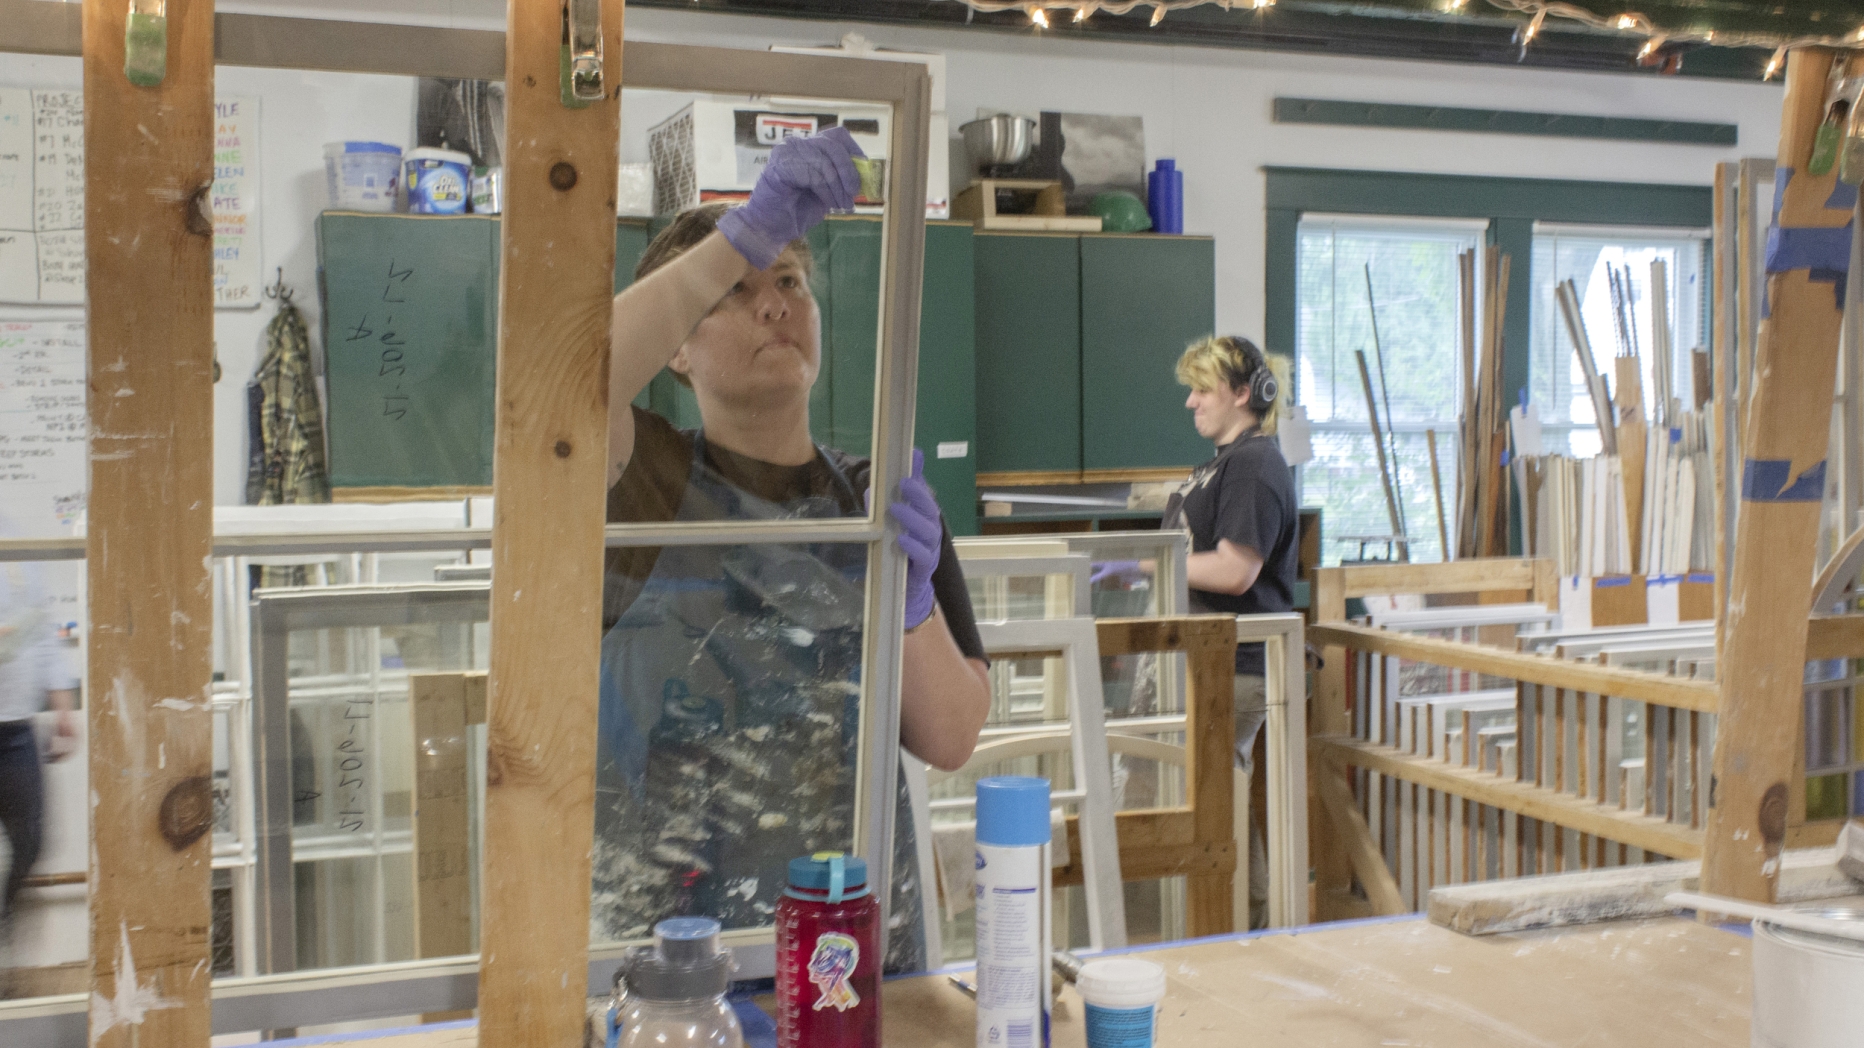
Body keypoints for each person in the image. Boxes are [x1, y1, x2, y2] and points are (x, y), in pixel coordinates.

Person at [590, 126, 991, 973]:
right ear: (676, 348)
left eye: (789, 281)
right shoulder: (645, 478)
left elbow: (953, 737)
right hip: (673, 970)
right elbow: (565, 384)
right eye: (735, 290)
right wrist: (737, 232)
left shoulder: (880, 498)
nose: (774, 302)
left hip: (857, 960)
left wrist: (912, 606)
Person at [1163, 334, 1298, 929]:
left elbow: (1236, 570)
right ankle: (1242, 927)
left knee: (1221, 800)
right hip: (1206, 661)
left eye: (1202, 389)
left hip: (1234, 665)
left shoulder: (1253, 464)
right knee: (1223, 798)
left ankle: (1244, 931)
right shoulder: (1224, 464)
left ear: (1244, 394)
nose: (1191, 402)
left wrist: (1149, 566)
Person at [0, 553, 78, 962]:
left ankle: (4, 919)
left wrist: (63, 707)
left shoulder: (18, 547)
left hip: (17, 730)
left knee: (31, 842)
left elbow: (43, 635)